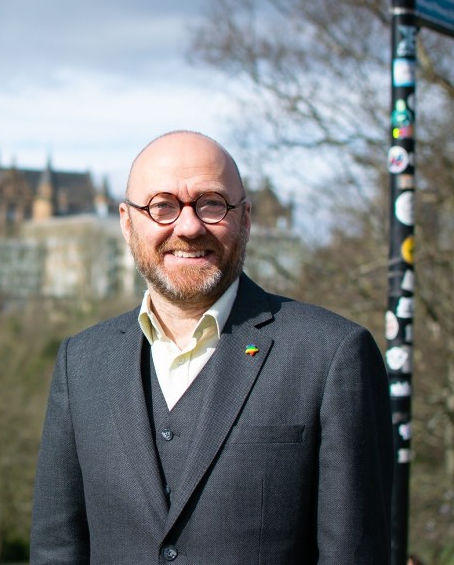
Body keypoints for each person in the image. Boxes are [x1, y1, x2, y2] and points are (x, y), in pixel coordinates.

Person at [30, 131, 393, 563]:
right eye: (162, 206)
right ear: (127, 222)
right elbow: (57, 550)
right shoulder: (82, 361)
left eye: (211, 204)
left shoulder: (332, 355)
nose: (188, 226)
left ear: (245, 219)